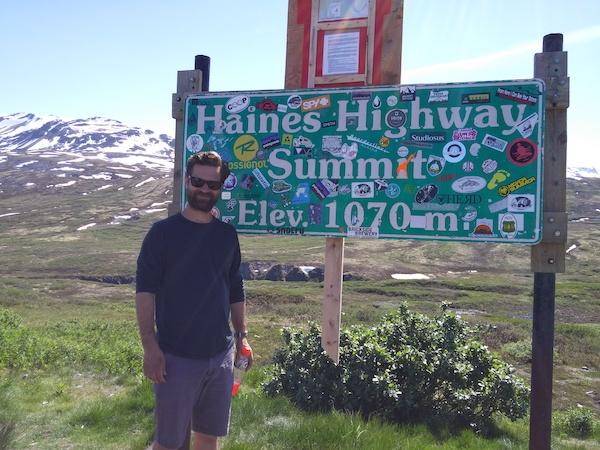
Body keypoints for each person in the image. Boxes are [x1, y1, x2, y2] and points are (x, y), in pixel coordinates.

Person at [136, 151, 252, 450]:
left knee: (208, 437)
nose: (204, 189)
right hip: (176, 357)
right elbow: (145, 291)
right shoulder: (162, 234)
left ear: (221, 188)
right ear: (187, 181)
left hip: (221, 355)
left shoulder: (227, 235)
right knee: (168, 442)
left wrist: (242, 336)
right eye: (198, 182)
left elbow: (234, 287)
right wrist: (150, 346)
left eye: (212, 185)